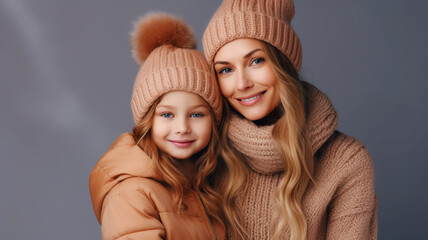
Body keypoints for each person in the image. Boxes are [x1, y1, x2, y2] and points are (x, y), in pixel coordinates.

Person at [202, 0, 377, 239]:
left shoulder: (347, 161)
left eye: (256, 61)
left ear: (283, 62)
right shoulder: (206, 151)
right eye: (226, 70)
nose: (242, 84)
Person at [89, 13, 226, 240]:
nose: (182, 127)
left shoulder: (208, 185)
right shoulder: (131, 194)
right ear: (147, 120)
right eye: (167, 114)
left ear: (214, 119)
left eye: (196, 114)